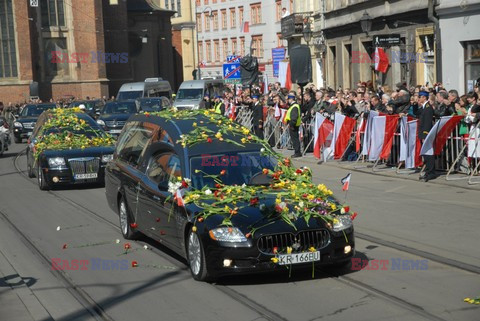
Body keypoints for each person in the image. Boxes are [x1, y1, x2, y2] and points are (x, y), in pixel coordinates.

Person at [417, 91, 435, 181]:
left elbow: (427, 123)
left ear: (424, 97)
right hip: (422, 133)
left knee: (428, 153)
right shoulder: (423, 107)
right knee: (425, 153)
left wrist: (425, 135)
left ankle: (430, 172)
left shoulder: (428, 108)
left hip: (426, 134)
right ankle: (428, 171)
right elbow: (417, 113)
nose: (418, 98)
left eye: (420, 97)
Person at [285, 93, 302, 158]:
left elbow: (294, 117)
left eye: (288, 99)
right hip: (293, 124)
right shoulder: (293, 106)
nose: (288, 100)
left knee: (295, 139)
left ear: (291, 99)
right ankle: (297, 151)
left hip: (293, 125)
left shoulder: (294, 106)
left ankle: (297, 152)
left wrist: (291, 124)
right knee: (294, 138)